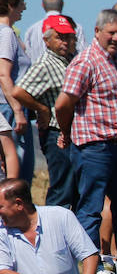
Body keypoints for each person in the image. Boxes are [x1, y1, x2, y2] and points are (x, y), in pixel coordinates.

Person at [54, 9, 117, 248]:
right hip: (93, 147)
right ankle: (91, 266)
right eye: (111, 33)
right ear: (97, 31)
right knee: (91, 207)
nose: (116, 38)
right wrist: (67, 132)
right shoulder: (86, 61)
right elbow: (63, 104)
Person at [14, 12, 77, 208]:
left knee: (71, 187)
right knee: (62, 189)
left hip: (69, 132)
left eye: (68, 37)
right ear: (47, 40)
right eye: (60, 37)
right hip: (55, 132)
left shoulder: (67, 60)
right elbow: (19, 91)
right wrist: (42, 109)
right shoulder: (45, 64)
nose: (65, 42)